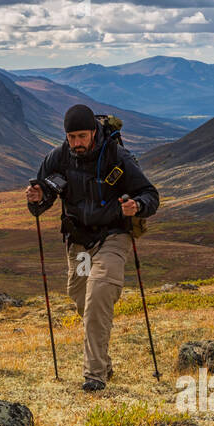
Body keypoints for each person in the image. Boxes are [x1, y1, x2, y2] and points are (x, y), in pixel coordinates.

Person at [26, 104, 159, 391]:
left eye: (81, 137)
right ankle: (105, 364)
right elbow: (43, 198)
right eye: (71, 137)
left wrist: (137, 206)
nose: (76, 144)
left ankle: (94, 375)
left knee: (98, 294)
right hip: (80, 244)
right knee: (81, 297)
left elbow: (150, 194)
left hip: (112, 237)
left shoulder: (117, 155)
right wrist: (36, 198)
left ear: (93, 132)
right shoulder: (58, 157)